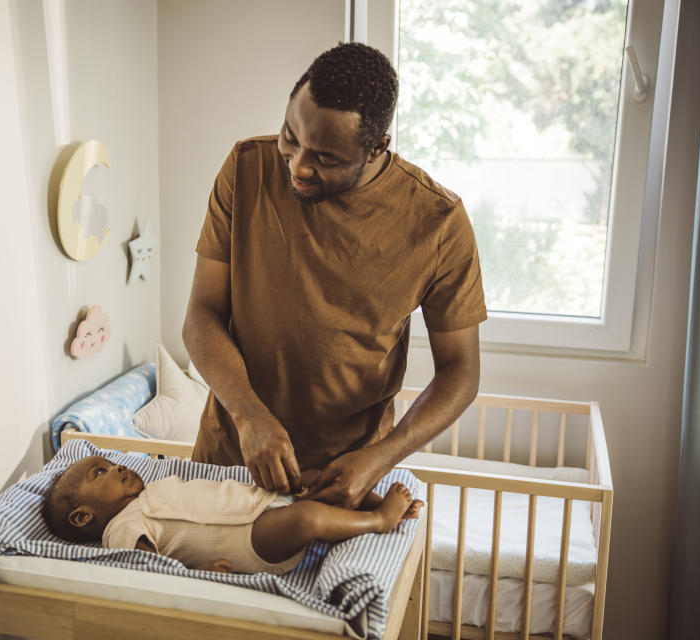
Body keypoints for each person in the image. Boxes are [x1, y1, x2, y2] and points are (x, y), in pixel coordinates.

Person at [183, 42, 487, 508]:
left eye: (325, 158)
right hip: (230, 453)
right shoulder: (245, 168)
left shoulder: (438, 221)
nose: (298, 166)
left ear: (377, 148)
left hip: (344, 478)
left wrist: (382, 458)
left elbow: (461, 371)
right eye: (290, 137)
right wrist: (248, 417)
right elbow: (201, 315)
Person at [41, 454, 423, 574]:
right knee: (305, 518)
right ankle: (379, 519)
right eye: (101, 473)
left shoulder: (154, 488)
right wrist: (197, 577)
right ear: (82, 517)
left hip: (261, 502)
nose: (118, 468)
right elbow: (150, 570)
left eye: (111, 463)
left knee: (309, 476)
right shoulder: (120, 529)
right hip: (250, 540)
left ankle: (367, 500)